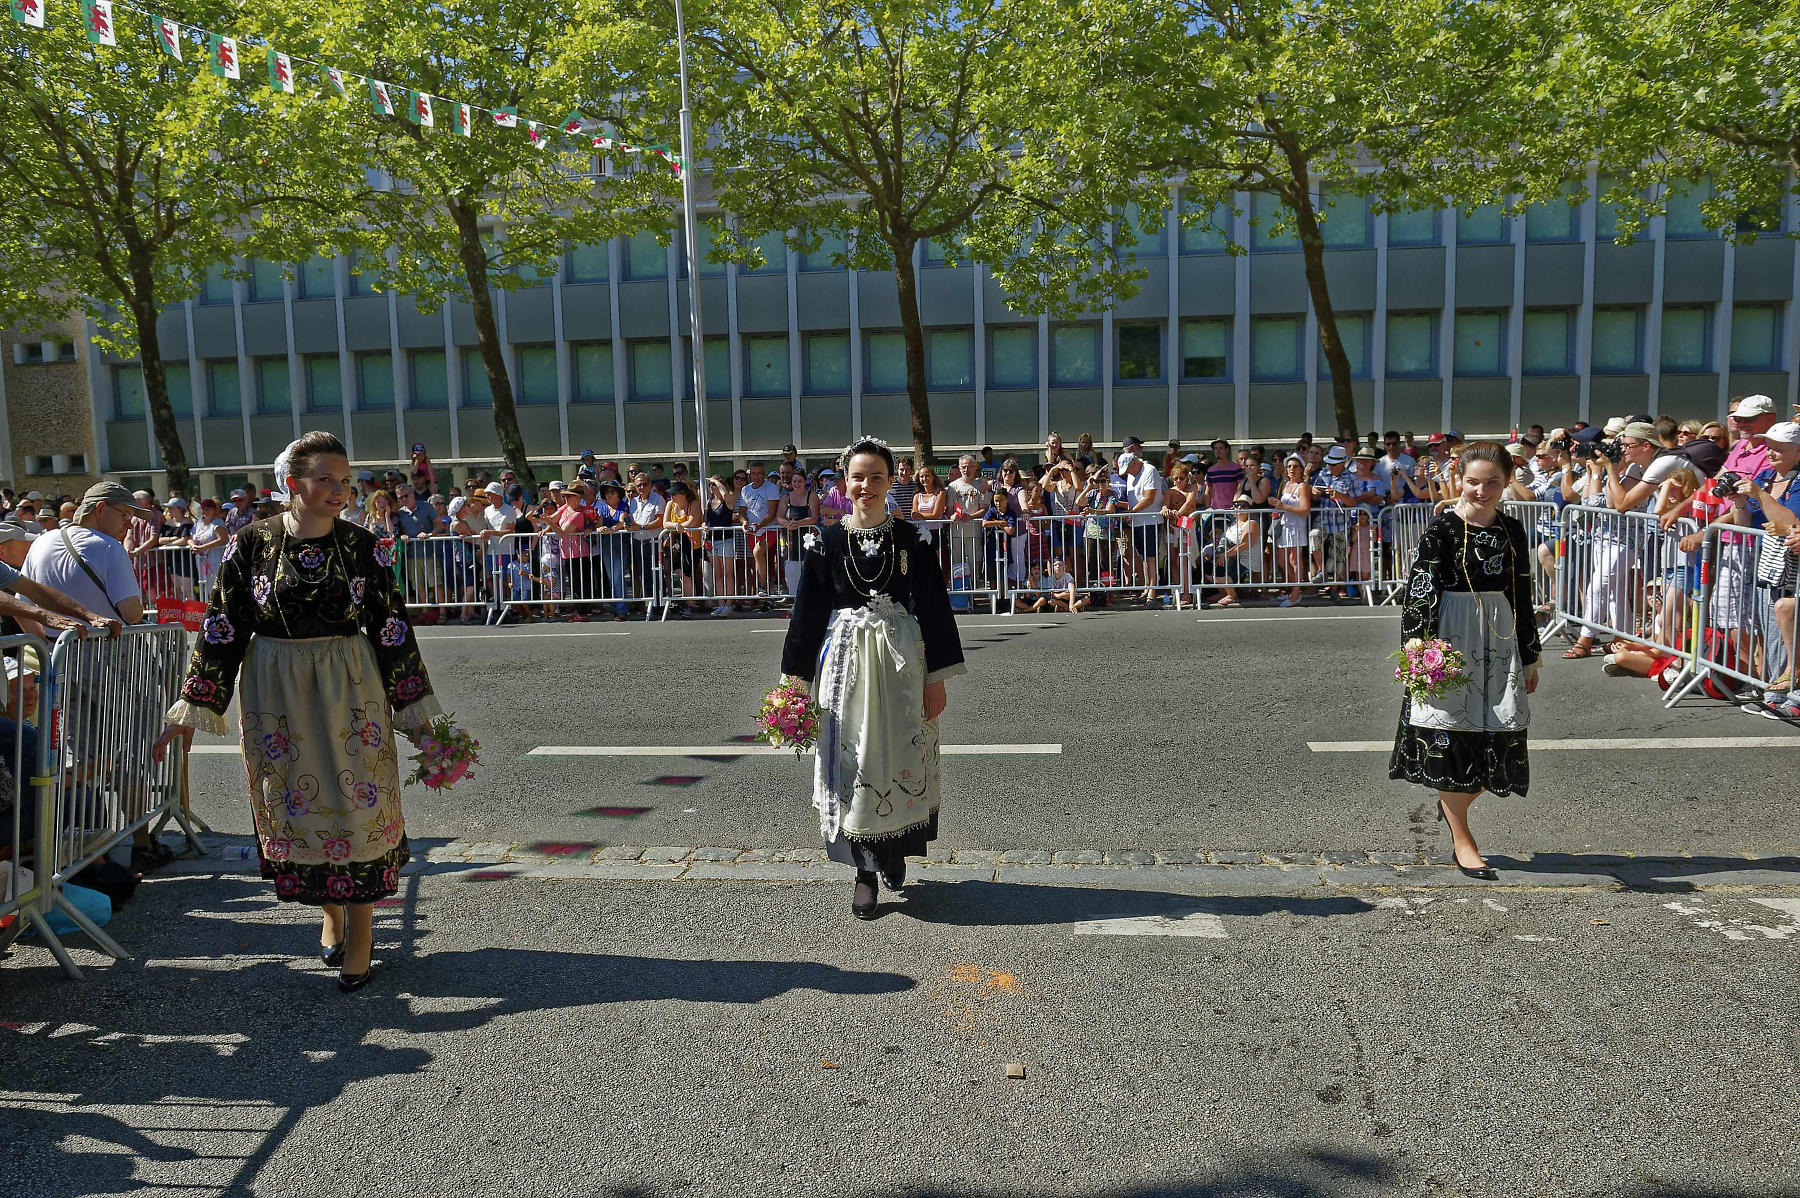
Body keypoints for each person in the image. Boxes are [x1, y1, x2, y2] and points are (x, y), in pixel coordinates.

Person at [154, 432, 443, 994]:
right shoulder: (251, 545)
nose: (339, 491)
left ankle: (362, 931)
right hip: (276, 692)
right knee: (297, 803)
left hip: (349, 687)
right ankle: (331, 912)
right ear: (292, 485)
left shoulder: (365, 547)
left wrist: (421, 717)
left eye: (345, 480)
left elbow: (391, 629)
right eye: (325, 480)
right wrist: (193, 705)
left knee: (358, 802)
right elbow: (222, 628)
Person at [779, 437, 965, 920]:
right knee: (855, 761)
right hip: (846, 669)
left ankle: (895, 850)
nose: (866, 485)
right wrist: (793, 683)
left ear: (890, 482)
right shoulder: (826, 541)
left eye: (876, 477)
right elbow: (806, 616)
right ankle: (864, 871)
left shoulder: (911, 541)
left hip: (901, 665)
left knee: (898, 755)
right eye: (858, 477)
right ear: (846, 482)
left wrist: (937, 677)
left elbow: (935, 610)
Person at [1389, 442, 1542, 881]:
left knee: (1496, 734)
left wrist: (1531, 656)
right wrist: (1417, 648)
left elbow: (1522, 593)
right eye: (1473, 481)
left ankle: (1451, 803)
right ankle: (1462, 838)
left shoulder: (1513, 530)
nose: (1482, 490)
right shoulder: (1441, 529)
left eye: (1492, 481)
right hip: (1450, 638)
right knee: (1449, 734)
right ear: (1460, 478)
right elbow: (1420, 591)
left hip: (1499, 638)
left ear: (1508, 479)